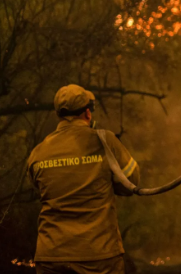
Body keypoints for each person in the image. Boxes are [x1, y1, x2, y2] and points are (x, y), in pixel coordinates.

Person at [27, 84, 140, 274]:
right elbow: (132, 183)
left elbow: (41, 189)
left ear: (58, 115)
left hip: (51, 258)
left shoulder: (38, 152)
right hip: (98, 257)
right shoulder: (105, 141)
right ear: (88, 113)